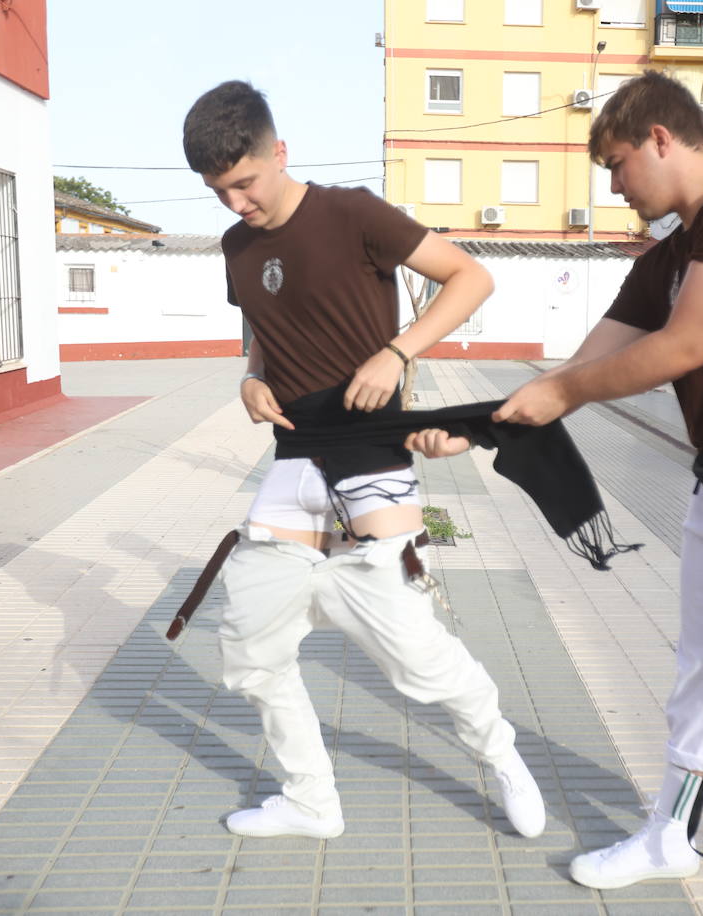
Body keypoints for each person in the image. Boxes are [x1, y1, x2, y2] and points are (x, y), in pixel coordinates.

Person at [407, 71, 703, 915]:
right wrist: (485, 424)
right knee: (701, 674)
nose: (614, 185)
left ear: (663, 139)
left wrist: (559, 400)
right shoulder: (671, 257)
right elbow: (584, 362)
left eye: (618, 163)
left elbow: (688, 343)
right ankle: (671, 834)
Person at [181, 80, 545, 841]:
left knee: (414, 655)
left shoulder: (352, 214)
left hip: (372, 454)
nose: (236, 204)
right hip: (292, 462)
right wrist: (250, 377)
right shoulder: (238, 246)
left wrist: (397, 350)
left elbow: (471, 276)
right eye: (219, 192)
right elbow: (263, 328)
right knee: (249, 645)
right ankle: (312, 800)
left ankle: (502, 753)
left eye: (245, 182)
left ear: (279, 153)